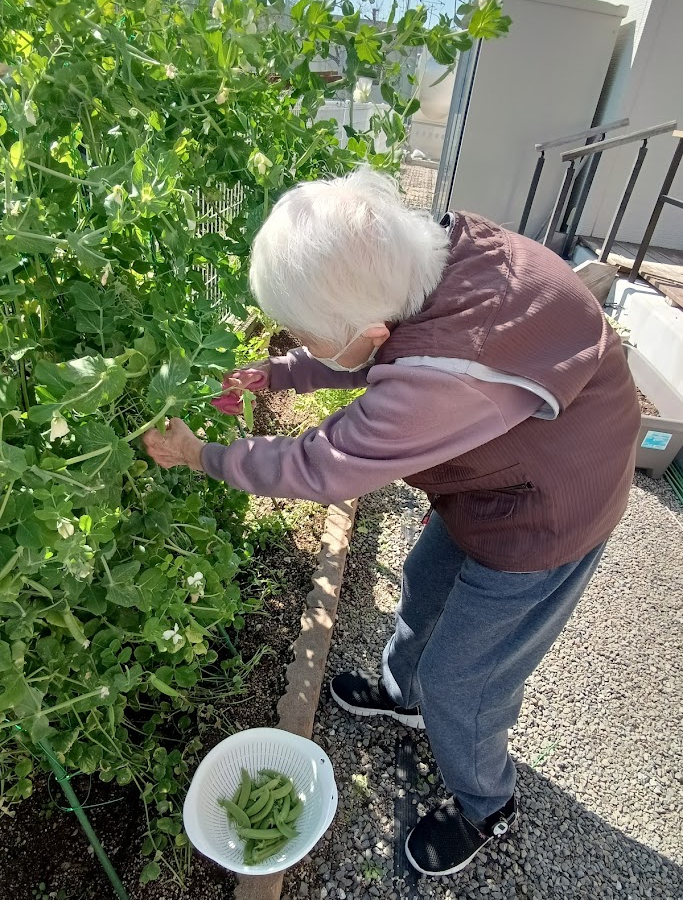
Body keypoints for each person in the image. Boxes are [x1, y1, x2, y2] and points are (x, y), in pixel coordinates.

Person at [143, 168, 640, 877]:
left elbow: (322, 465)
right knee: (425, 580)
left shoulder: (444, 382)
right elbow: (377, 347)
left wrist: (203, 456)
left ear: (369, 328)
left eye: (306, 335)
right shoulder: (434, 256)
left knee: (463, 680)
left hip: (551, 515)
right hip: (498, 477)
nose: (299, 342)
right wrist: (278, 372)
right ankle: (403, 696)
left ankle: (486, 803)